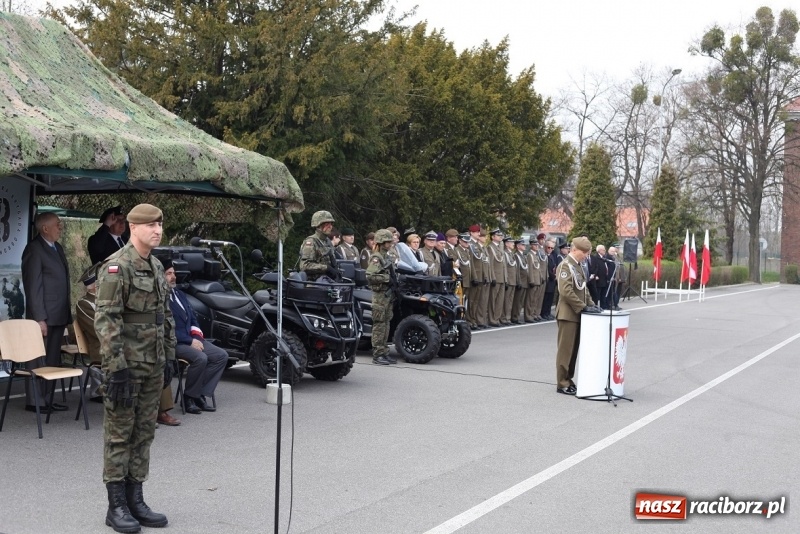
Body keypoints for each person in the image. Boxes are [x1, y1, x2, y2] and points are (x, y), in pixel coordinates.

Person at [94, 203, 176, 532]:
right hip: (126, 366)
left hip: (153, 364)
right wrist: (116, 368)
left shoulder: (156, 266)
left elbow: (164, 317)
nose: (157, 230)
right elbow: (106, 320)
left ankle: (135, 499)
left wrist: (169, 356)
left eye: (160, 224)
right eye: (150, 225)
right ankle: (116, 507)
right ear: (133, 227)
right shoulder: (117, 267)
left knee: (144, 434)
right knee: (119, 436)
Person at [21, 212, 71, 412]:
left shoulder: (56, 247)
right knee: (37, 358)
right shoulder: (34, 249)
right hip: (44, 315)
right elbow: (33, 287)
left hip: (58, 313)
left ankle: (48, 398)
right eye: (57, 224)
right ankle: (35, 401)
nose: (61, 227)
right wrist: (39, 318)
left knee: (52, 359)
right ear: (45, 228)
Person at [164, 261, 227, 414]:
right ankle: (189, 397)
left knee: (221, 356)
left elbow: (192, 318)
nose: (173, 277)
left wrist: (196, 337)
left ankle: (200, 394)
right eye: (169, 274)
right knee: (201, 358)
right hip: (175, 342)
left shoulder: (179, 294)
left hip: (191, 338)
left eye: (174, 273)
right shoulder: (160, 298)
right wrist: (189, 341)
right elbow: (165, 328)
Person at [554, 236, 597, 395]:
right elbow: (566, 292)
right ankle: (561, 382)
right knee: (565, 350)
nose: (586, 255)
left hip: (577, 314)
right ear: (575, 250)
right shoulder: (565, 266)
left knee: (573, 351)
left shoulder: (577, 266)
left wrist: (592, 305)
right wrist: (583, 307)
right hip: (567, 314)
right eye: (584, 252)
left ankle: (568, 379)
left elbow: (583, 289)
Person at [365, 229, 397, 365]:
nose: (390, 244)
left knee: (386, 322)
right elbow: (369, 276)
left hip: (387, 294)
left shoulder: (386, 256)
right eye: (388, 241)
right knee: (379, 325)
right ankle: (377, 354)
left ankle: (384, 351)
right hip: (380, 295)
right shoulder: (376, 257)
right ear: (382, 242)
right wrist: (386, 278)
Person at [299, 210, 340, 281]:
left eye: (331, 224)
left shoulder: (327, 241)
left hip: (327, 280)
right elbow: (304, 266)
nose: (330, 226)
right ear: (318, 225)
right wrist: (326, 268)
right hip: (313, 283)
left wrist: (336, 271)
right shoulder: (311, 242)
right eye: (327, 224)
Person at [486, 229, 506, 327]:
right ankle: (492, 319)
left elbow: (503, 264)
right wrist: (492, 277)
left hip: (501, 277)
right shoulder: (490, 248)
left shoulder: (499, 248)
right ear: (493, 237)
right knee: (493, 300)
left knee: (500, 300)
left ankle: (497, 318)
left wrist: (505, 278)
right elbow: (490, 264)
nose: (500, 237)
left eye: (500, 235)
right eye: (498, 235)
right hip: (496, 277)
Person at [541, 239, 558, 321]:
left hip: (552, 280)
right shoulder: (544, 256)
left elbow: (554, 267)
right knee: (546, 297)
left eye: (552, 248)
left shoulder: (551, 256)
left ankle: (548, 312)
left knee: (550, 298)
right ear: (545, 247)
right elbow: (546, 269)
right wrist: (554, 276)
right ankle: (544, 313)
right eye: (549, 247)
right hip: (548, 279)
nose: (550, 249)